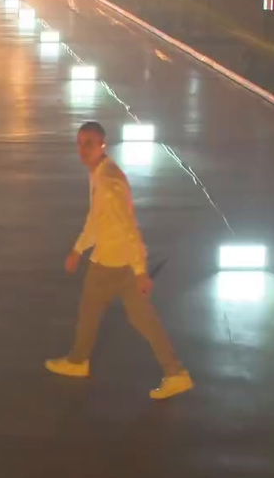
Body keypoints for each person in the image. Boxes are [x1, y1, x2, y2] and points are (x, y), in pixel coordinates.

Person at [45, 121, 194, 400]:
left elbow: (128, 227)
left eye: (88, 143)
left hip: (112, 263)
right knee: (141, 319)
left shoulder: (107, 181)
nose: (82, 149)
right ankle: (176, 373)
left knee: (92, 311)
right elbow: (96, 220)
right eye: (79, 143)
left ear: (102, 145)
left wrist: (140, 271)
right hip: (116, 260)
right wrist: (78, 250)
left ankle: (78, 362)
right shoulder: (100, 173)